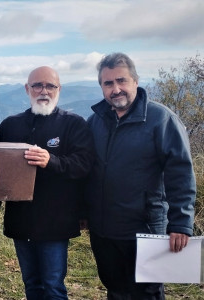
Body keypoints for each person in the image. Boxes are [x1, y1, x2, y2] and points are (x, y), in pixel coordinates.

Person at [86, 53, 196, 299]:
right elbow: (88, 172)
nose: (116, 89)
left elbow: (180, 172)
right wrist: (84, 212)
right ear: (101, 87)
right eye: (108, 83)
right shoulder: (95, 121)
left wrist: (180, 223)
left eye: (121, 81)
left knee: (147, 292)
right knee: (114, 289)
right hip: (104, 229)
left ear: (135, 80)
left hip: (146, 227)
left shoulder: (161, 119)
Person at [0, 66, 94, 299]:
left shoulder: (74, 124)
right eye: (37, 85)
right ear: (27, 89)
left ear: (59, 89)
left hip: (56, 222)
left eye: (50, 86)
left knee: (53, 285)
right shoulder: (10, 125)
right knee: (31, 283)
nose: (44, 91)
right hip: (21, 219)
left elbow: (84, 165)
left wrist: (52, 161)